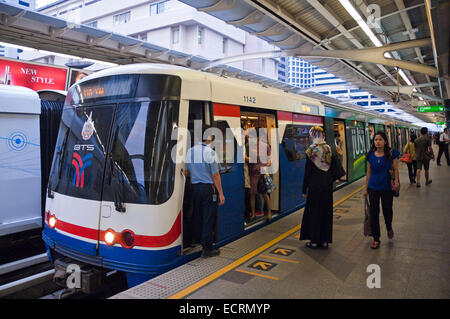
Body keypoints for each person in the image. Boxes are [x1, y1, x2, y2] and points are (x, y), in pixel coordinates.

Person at [185, 125, 225, 258]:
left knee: (197, 216)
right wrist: (220, 193)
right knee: (208, 218)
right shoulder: (210, 153)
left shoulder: (190, 151)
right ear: (209, 137)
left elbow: (186, 171)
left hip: (195, 189)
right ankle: (207, 249)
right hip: (208, 189)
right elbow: (216, 175)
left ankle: (196, 241)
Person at [363, 131, 399, 249]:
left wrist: (397, 182)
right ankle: (376, 238)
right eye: (375, 140)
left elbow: (396, 169)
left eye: (380, 139)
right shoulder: (370, 155)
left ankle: (389, 227)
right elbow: (368, 172)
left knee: (387, 210)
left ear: (385, 141)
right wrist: (365, 188)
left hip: (387, 188)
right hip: (373, 187)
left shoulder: (391, 153)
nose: (377, 142)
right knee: (374, 213)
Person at [299, 126, 334, 249]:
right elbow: (332, 167)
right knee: (326, 213)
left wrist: (304, 189)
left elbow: (307, 172)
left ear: (313, 135)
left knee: (314, 213)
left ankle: (314, 241)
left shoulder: (311, 150)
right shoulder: (328, 148)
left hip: (315, 186)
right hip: (327, 187)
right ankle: (324, 241)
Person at [248, 129, 272, 222]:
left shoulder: (266, 146)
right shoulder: (250, 146)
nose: (251, 139)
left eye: (253, 137)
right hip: (253, 173)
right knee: (252, 193)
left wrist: (267, 165)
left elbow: (270, 158)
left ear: (258, 137)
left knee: (264, 193)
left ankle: (269, 213)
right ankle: (253, 213)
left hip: (262, 173)